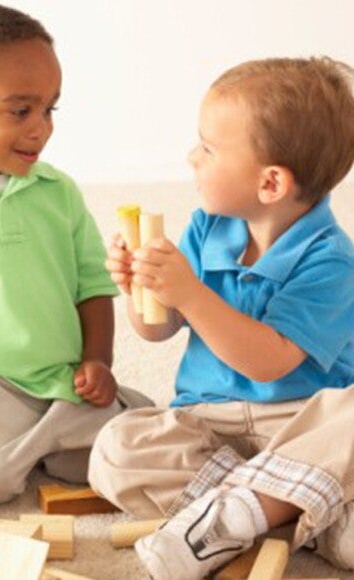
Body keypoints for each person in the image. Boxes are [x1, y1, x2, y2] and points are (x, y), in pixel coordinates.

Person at [89, 56, 354, 579]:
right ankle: (287, 506)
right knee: (115, 448)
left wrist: (189, 293)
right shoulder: (208, 227)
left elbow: (268, 362)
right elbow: (158, 329)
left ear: (271, 183)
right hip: (209, 423)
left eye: (208, 148)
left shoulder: (332, 262)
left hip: (300, 421)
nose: (192, 157)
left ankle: (246, 512)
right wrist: (140, 289)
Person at [0, 2, 151, 506]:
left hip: (62, 380)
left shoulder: (57, 192)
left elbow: (92, 285)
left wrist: (98, 361)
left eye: (50, 109)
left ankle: (53, 444)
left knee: (143, 444)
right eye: (20, 111)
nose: (41, 128)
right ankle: (25, 450)